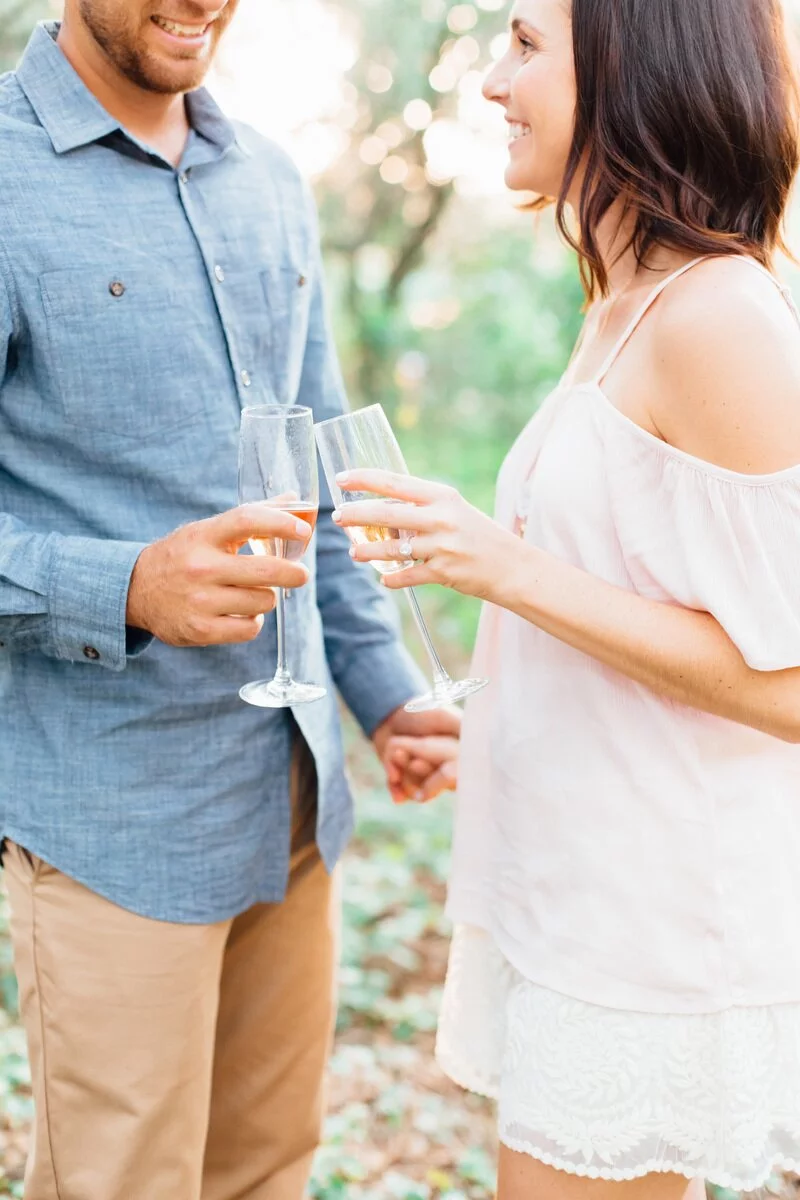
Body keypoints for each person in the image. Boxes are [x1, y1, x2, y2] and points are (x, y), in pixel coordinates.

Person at [333, 0, 800, 1195]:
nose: (492, 82)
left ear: (635, 75)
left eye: (526, 46)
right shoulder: (618, 306)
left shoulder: (719, 317)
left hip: (648, 948)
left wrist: (502, 567)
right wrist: (487, 710)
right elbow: (640, 593)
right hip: (573, 907)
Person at [0, 4, 459, 1198]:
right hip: (115, 820)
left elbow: (321, 481)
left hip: (292, 799)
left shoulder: (267, 179)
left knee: (266, 1173)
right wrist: (130, 584)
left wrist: (384, 697)